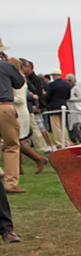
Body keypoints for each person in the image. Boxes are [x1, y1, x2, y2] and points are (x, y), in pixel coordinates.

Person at [1, 52, 26, 194]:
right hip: (3, 107)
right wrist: (9, 64)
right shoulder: (6, 65)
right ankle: (10, 183)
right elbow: (19, 83)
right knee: (11, 145)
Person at [65, 74, 81, 143]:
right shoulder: (68, 88)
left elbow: (80, 98)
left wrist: (71, 99)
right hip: (69, 108)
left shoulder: (76, 88)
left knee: (75, 125)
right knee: (69, 125)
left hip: (74, 109)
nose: (68, 81)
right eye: (66, 80)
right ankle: (72, 140)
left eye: (69, 80)